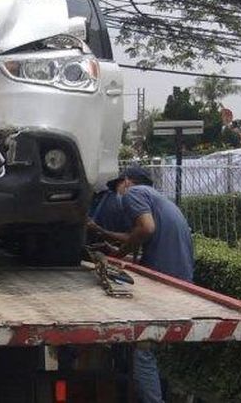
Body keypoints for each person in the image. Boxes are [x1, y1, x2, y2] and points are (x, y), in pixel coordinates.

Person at [88, 165, 194, 403]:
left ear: (126, 181)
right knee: (160, 352)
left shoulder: (134, 193)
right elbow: (140, 236)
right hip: (180, 280)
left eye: (117, 187)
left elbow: (146, 228)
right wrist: (116, 249)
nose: (117, 195)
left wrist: (102, 234)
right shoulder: (159, 200)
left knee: (144, 352)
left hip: (166, 285)